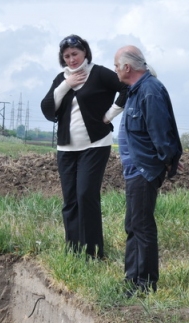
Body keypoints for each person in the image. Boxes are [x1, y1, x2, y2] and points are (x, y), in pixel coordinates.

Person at [41, 34, 128, 259]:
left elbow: (127, 88)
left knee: (86, 195)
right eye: (67, 56)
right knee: (70, 200)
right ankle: (73, 251)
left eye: (75, 54)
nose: (71, 59)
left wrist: (111, 114)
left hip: (95, 145)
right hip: (66, 149)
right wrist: (65, 86)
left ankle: (93, 253)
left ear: (85, 53)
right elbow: (47, 107)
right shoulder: (61, 78)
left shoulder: (99, 73)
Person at [113, 45, 182, 296]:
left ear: (127, 68)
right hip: (135, 170)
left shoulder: (150, 91)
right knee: (133, 225)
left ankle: (145, 284)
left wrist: (167, 160)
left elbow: (160, 130)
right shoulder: (136, 90)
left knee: (141, 226)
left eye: (116, 65)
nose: (115, 70)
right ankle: (132, 280)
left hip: (144, 170)